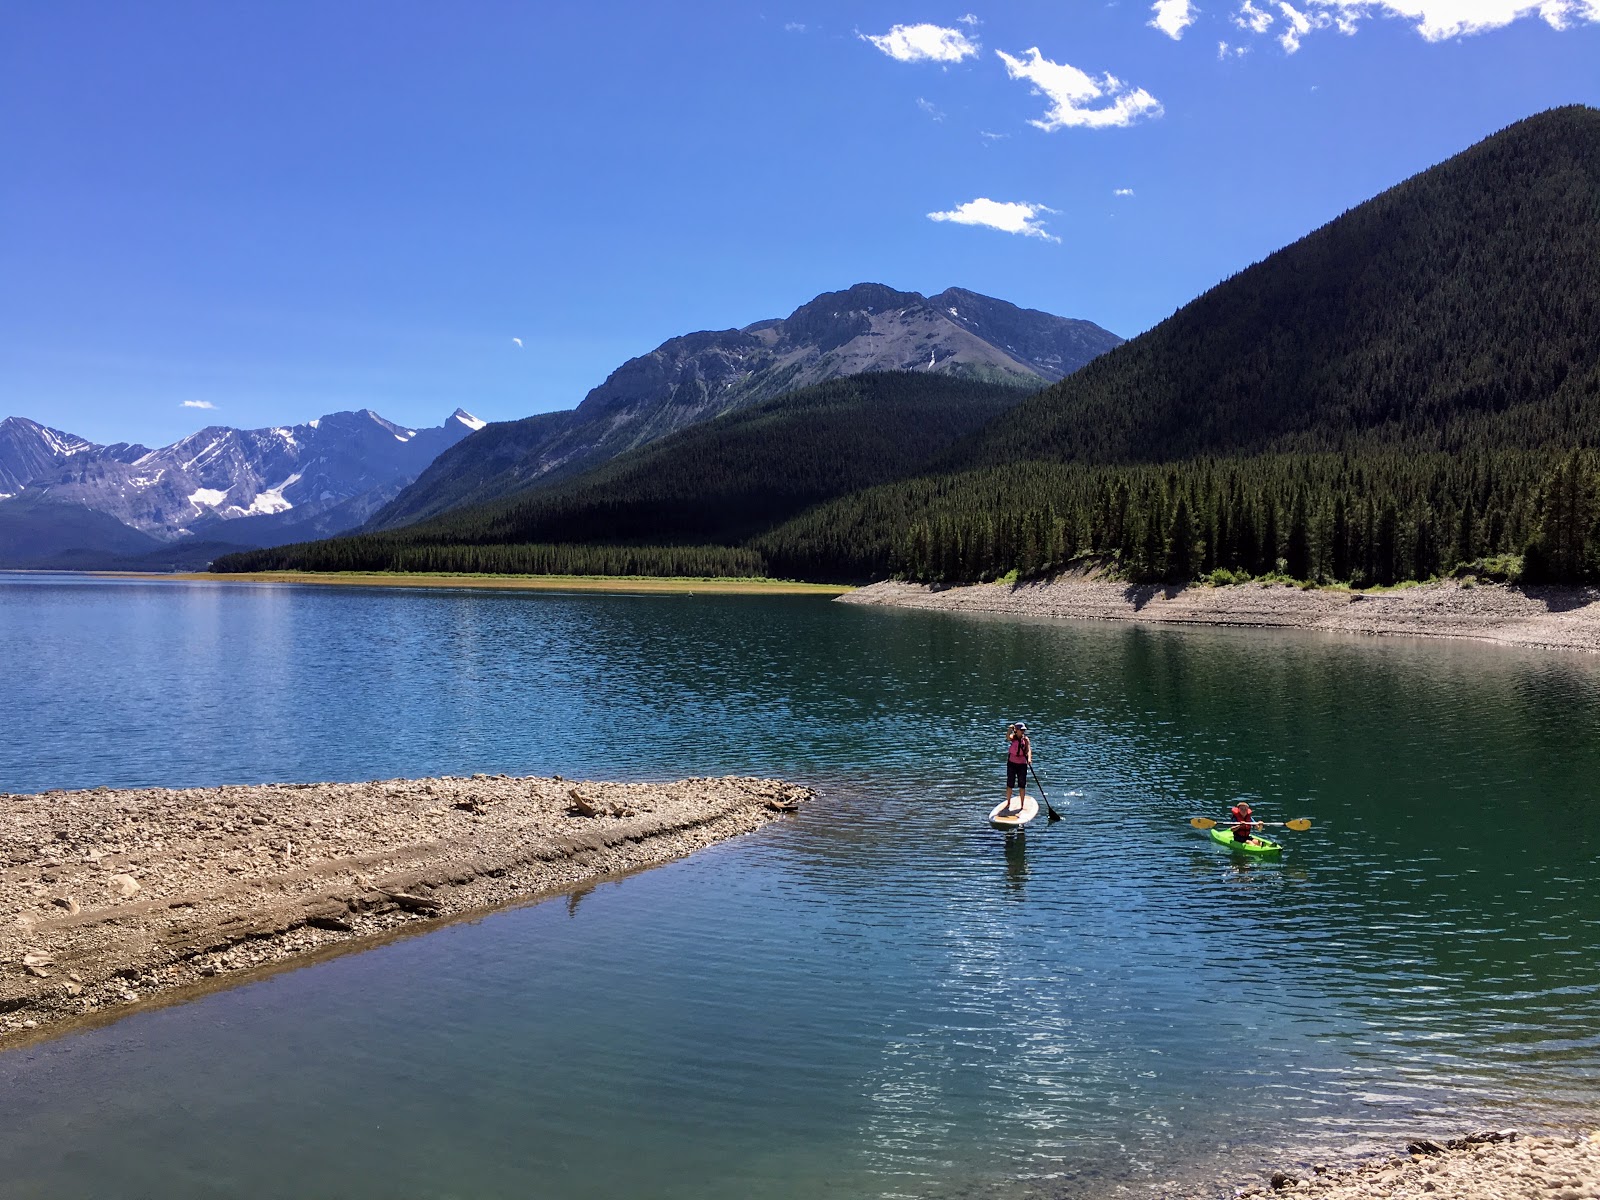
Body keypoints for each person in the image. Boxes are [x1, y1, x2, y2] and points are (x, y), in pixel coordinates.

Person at [1004, 722, 1032, 814]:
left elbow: (1028, 750)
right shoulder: (1013, 738)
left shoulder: (1026, 740)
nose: (1023, 732)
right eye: (1021, 730)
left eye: (1024, 730)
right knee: (1010, 784)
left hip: (1022, 765)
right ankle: (1008, 803)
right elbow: (1007, 737)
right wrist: (1010, 729)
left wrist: (1029, 759)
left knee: (1022, 785)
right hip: (1012, 763)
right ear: (1017, 731)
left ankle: (1022, 805)